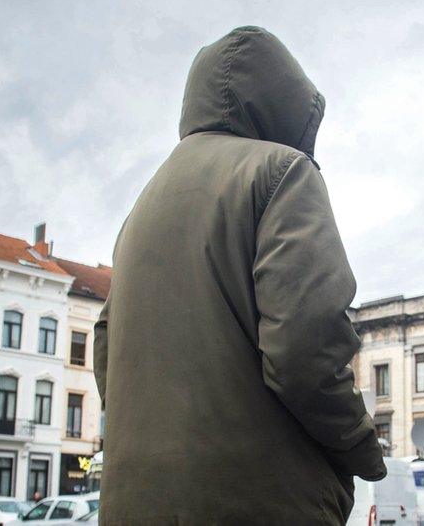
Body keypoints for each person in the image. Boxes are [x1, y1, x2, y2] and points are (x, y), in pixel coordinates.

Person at [93, 26, 386, 525]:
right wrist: (359, 445)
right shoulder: (282, 171)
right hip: (260, 502)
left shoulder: (141, 208)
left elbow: (106, 348)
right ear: (286, 105)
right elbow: (304, 349)